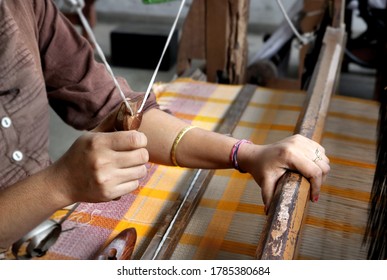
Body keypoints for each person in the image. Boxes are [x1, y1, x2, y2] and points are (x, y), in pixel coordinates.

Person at [0, 0, 330, 252]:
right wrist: (59, 184)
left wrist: (249, 155)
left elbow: (118, 110)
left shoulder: (25, 6)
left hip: (35, 237)